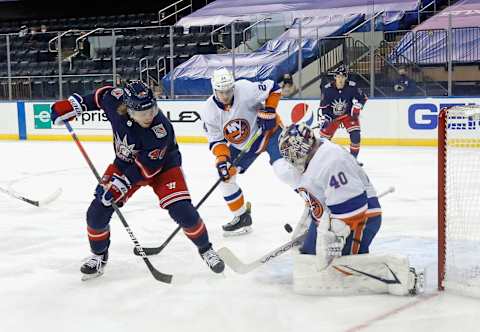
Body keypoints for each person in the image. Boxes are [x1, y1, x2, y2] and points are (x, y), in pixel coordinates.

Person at [50, 80, 225, 280]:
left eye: (152, 109)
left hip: (163, 167)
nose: (150, 116)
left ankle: (206, 249)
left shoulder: (161, 129)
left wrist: (119, 186)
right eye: (143, 113)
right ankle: (99, 256)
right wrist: (74, 105)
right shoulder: (115, 101)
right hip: (125, 163)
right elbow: (100, 96)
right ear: (128, 109)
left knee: (184, 212)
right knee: (96, 213)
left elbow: (147, 169)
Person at [278, 123, 423, 296]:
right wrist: (309, 224)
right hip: (335, 217)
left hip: (361, 219)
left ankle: (399, 274)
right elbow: (319, 198)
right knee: (311, 255)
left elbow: (353, 207)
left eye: (291, 154)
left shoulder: (331, 161)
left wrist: (335, 238)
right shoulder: (315, 155)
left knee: (339, 267)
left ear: (301, 149)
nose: (291, 160)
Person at [201, 67, 298, 236]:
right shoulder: (209, 110)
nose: (225, 95)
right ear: (213, 89)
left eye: (228, 91)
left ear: (233, 86)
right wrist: (222, 159)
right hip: (243, 146)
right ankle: (241, 217)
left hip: (270, 133)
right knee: (225, 177)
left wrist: (270, 110)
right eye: (220, 92)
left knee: (284, 170)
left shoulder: (245, 88)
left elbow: (274, 88)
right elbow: (217, 141)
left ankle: (314, 202)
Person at [318, 65, 367, 161]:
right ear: (335, 77)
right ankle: (322, 160)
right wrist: (326, 117)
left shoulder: (352, 87)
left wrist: (358, 106)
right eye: (338, 76)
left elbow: (363, 98)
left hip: (348, 115)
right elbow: (324, 107)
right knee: (323, 141)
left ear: (346, 78)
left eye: (342, 77)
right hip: (333, 117)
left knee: (356, 136)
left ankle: (353, 160)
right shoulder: (327, 89)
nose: (340, 79)